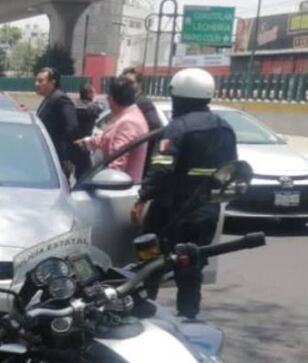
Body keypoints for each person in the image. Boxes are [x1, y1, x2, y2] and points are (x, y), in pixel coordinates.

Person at [132, 68, 237, 320]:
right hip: (205, 212)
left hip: (171, 211)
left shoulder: (178, 128)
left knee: (150, 259)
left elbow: (161, 168)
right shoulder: (225, 128)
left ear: (177, 96)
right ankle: (189, 317)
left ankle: (143, 312)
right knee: (191, 265)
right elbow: (231, 169)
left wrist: (142, 198)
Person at [75, 78, 149, 180]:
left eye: (108, 97)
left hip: (118, 190)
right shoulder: (129, 115)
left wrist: (101, 181)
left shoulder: (128, 123)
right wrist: (88, 142)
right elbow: (108, 137)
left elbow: (117, 162)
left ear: (113, 99)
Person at [35, 67, 86, 179]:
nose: (36, 84)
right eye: (36, 80)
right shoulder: (49, 98)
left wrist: (63, 152)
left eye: (40, 81)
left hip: (57, 159)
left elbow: (72, 127)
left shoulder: (60, 99)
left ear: (53, 82)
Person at [121, 67, 164, 179]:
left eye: (130, 82)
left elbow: (156, 129)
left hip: (141, 157)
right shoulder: (126, 102)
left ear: (139, 84)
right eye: (124, 82)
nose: (126, 85)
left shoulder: (143, 103)